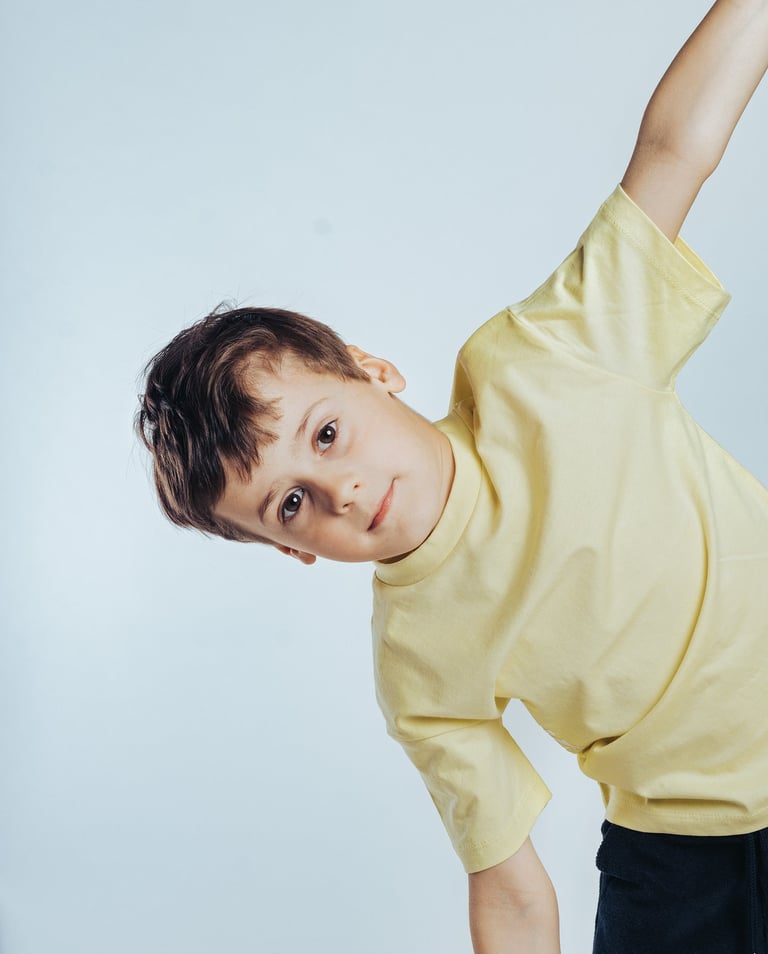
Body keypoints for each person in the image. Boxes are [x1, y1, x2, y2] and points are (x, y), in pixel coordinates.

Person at [136, 1, 768, 950]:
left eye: (329, 432)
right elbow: (509, 884)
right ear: (290, 550)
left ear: (371, 369)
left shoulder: (548, 360)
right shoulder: (416, 665)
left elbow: (676, 149)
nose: (339, 491)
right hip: (680, 853)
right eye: (293, 504)